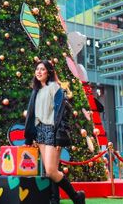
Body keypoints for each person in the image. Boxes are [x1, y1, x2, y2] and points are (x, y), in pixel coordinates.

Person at [25, 60, 86, 204]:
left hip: (52, 131)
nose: (39, 72)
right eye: (37, 69)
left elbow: (62, 114)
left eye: (42, 69)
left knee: (52, 171)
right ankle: (55, 200)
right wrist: (30, 137)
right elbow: (31, 115)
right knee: (49, 171)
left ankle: (77, 197)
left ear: (49, 72)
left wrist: (59, 137)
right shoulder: (36, 90)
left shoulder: (54, 88)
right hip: (40, 132)